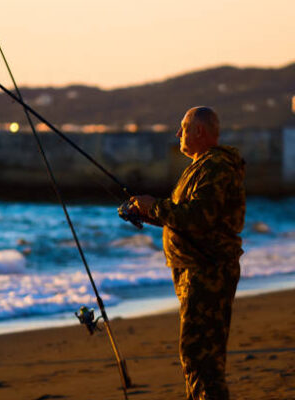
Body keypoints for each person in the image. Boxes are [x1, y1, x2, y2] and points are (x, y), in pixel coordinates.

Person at [127, 106, 245, 400]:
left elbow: (198, 217)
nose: (178, 134)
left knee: (200, 357)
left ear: (199, 131)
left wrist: (153, 206)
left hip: (207, 271)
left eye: (183, 127)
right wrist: (146, 212)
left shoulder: (215, 167)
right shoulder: (203, 165)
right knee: (199, 357)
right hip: (196, 269)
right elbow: (184, 216)